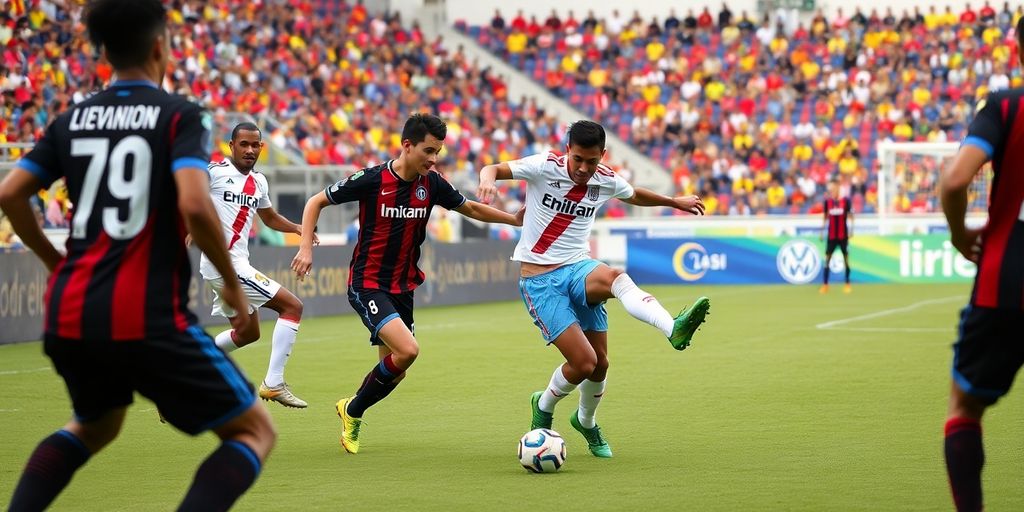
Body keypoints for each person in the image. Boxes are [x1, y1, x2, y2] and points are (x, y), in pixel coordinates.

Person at [0, 1, 275, 510]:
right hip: (143, 308)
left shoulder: (73, 118)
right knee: (254, 432)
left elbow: (12, 192)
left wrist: (53, 263)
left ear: (103, 51)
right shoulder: (178, 116)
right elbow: (195, 203)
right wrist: (235, 289)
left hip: (70, 307)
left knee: (95, 425)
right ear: (159, 47)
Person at [290, 113, 523, 454]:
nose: (433, 158)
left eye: (438, 152)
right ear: (407, 145)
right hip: (367, 282)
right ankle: (353, 411)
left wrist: (513, 220)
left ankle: (350, 408)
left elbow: (470, 208)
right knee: (408, 351)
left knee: (397, 372)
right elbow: (316, 201)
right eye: (428, 150)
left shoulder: (434, 184)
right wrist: (305, 246)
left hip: (403, 287)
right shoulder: (372, 179)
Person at [475, 120, 710, 458]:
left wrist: (674, 202)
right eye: (578, 159)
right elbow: (493, 167)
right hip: (540, 279)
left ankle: (668, 333)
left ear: (602, 155)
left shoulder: (605, 178)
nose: (584, 168)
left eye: (592, 161)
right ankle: (542, 405)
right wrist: (486, 181)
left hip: (577, 267)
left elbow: (634, 194)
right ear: (568, 150)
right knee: (586, 363)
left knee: (608, 324)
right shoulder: (544, 165)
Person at [938, 17, 1024, 512]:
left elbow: (954, 181)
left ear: (1018, 50)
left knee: (965, 408)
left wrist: (957, 233)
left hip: (1004, 282)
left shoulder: (1006, 105)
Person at [195, 122, 314, 408]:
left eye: (255, 145)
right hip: (224, 263)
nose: (249, 150)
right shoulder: (214, 173)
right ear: (231, 146)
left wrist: (298, 227)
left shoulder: (259, 182)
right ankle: (273, 383)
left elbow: (269, 218)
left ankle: (185, 370)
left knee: (248, 333)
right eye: (244, 144)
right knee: (292, 307)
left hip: (231, 264)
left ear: (261, 148)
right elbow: (188, 199)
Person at [819, 179, 853, 294]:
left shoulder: (845, 201)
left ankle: (847, 283)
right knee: (827, 259)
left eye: (834, 188)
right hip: (832, 236)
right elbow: (825, 217)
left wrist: (852, 230)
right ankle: (825, 284)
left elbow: (851, 215)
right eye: (831, 189)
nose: (832, 191)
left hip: (843, 235)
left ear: (838, 188)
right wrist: (822, 231)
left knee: (846, 259)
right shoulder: (828, 202)